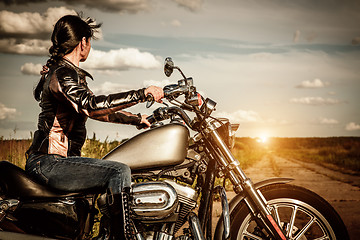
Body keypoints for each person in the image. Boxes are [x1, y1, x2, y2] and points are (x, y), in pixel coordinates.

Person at [25, 14, 164, 239]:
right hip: (49, 162)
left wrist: (137, 119)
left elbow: (100, 112)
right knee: (119, 171)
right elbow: (92, 105)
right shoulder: (63, 73)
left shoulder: (68, 73)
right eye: (90, 42)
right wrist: (141, 93)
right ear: (83, 42)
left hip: (57, 162)